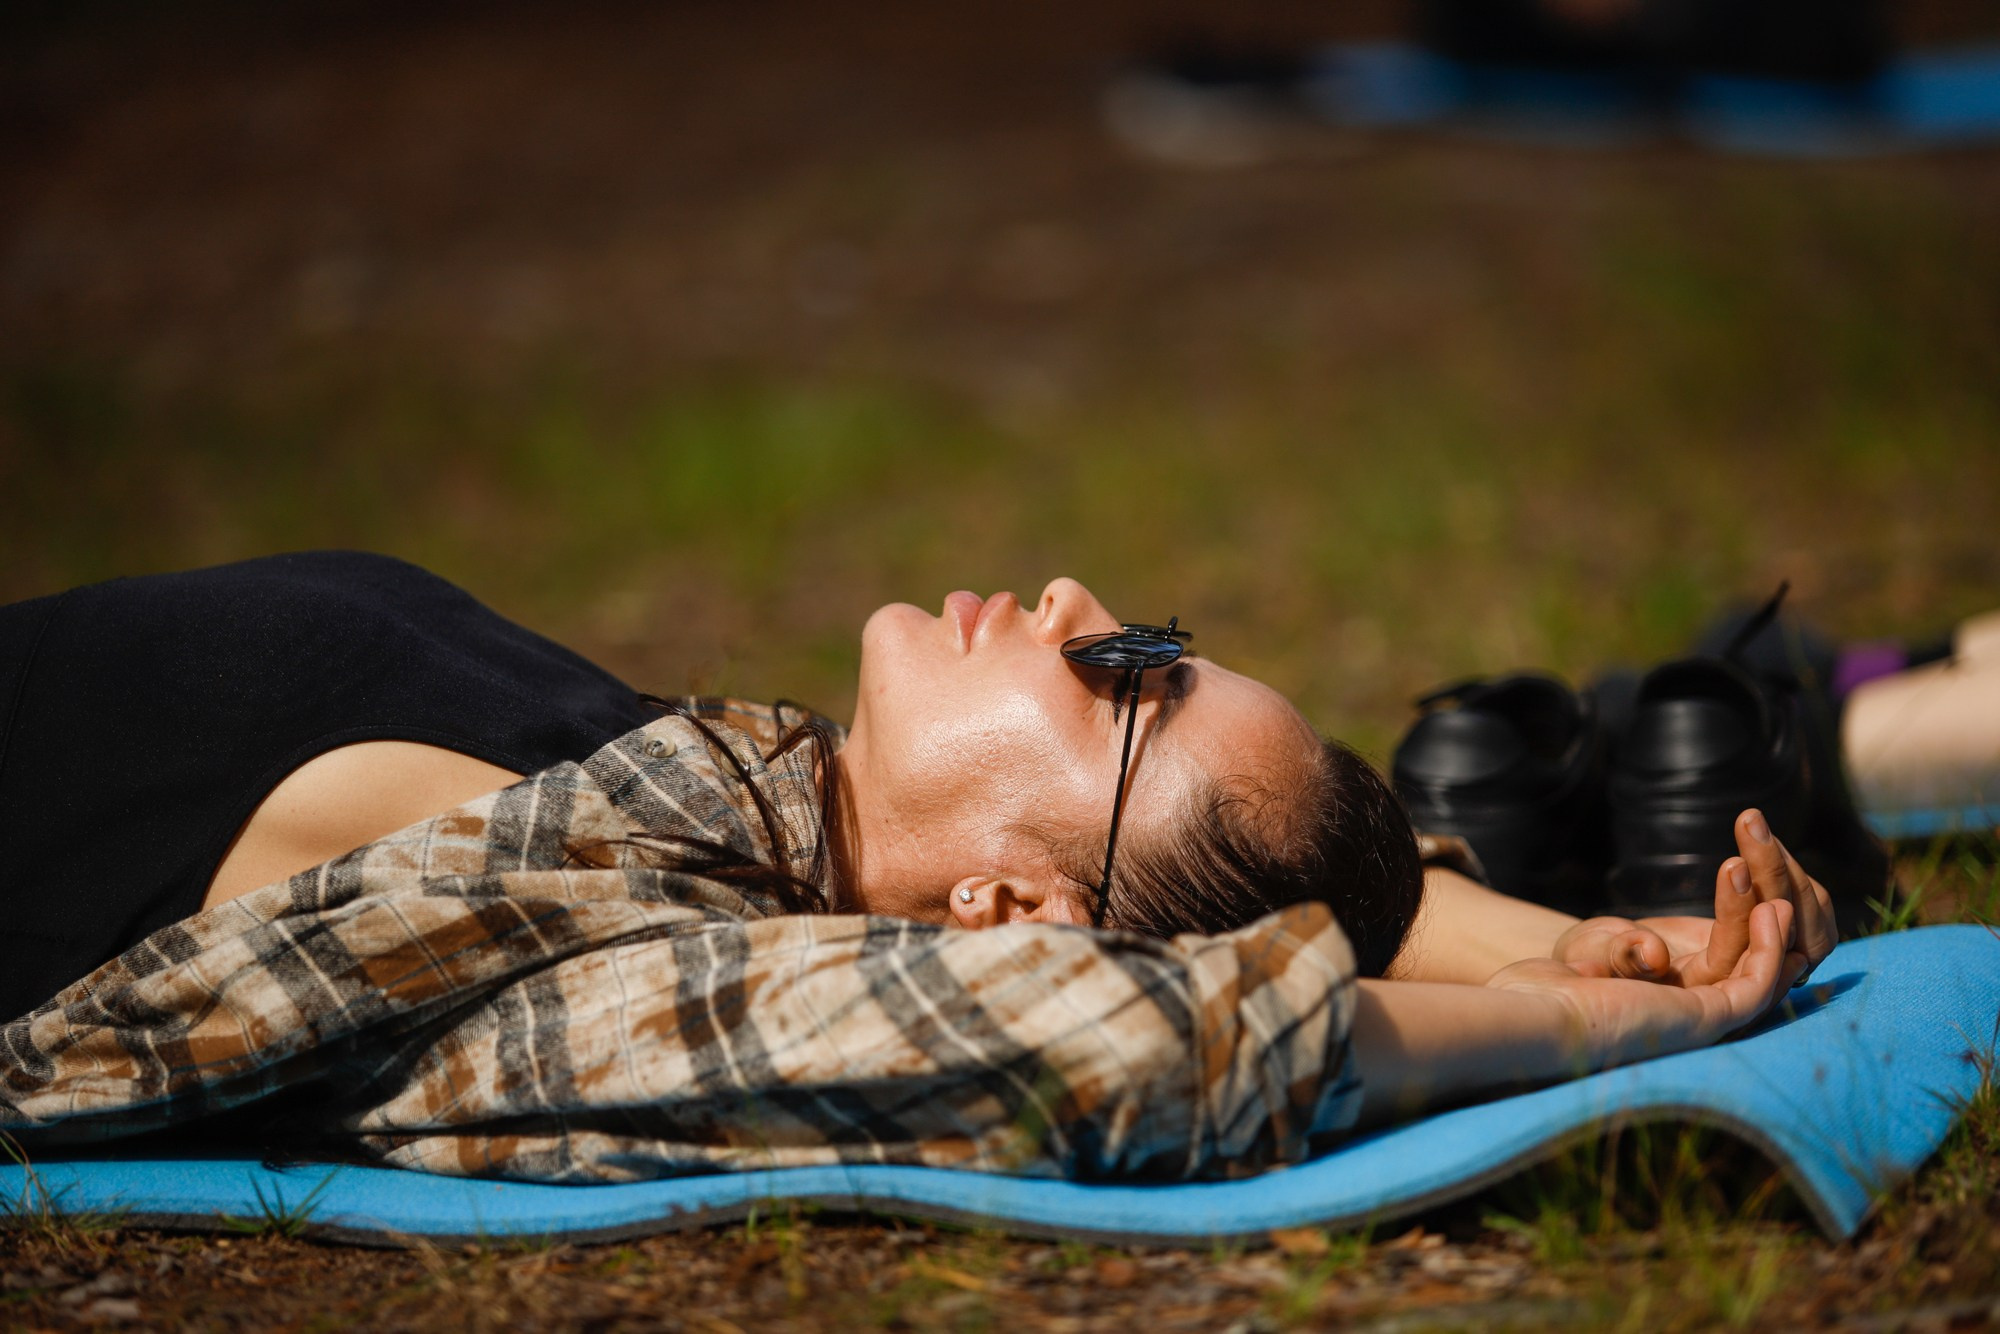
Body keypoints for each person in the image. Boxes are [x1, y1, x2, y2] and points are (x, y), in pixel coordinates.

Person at [0, 552, 1831, 1179]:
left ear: (1013, 915)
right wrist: (1581, 935)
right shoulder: (733, 805)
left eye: (1127, 678)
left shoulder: (623, 969)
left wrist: (1601, 1030)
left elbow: (1143, 1033)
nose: (1078, 601)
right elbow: (1297, 889)